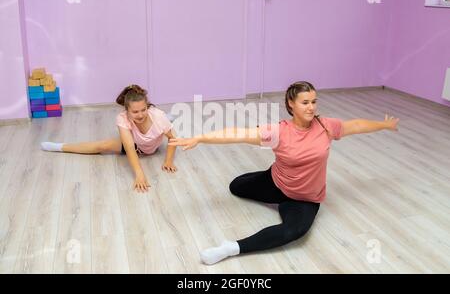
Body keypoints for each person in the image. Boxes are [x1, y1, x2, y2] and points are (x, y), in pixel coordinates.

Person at [169, 81, 399, 265]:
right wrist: (200, 138)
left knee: (294, 231)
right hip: (275, 183)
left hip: (304, 198)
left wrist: (384, 125)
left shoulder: (326, 126)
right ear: (291, 104)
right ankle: (269, 183)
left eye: (314, 102)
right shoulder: (279, 131)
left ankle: (231, 248)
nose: (311, 107)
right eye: (305, 102)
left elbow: (356, 125)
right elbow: (239, 133)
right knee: (235, 186)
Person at [41, 84, 177, 192]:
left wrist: (169, 161)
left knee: (162, 120)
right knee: (103, 146)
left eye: (143, 110)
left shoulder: (157, 117)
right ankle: (59, 146)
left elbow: (172, 138)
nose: (140, 115)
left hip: (154, 141)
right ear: (127, 111)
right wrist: (139, 174)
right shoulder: (122, 118)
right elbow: (129, 148)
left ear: (147, 107)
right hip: (137, 145)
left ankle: (168, 118)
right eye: (135, 112)